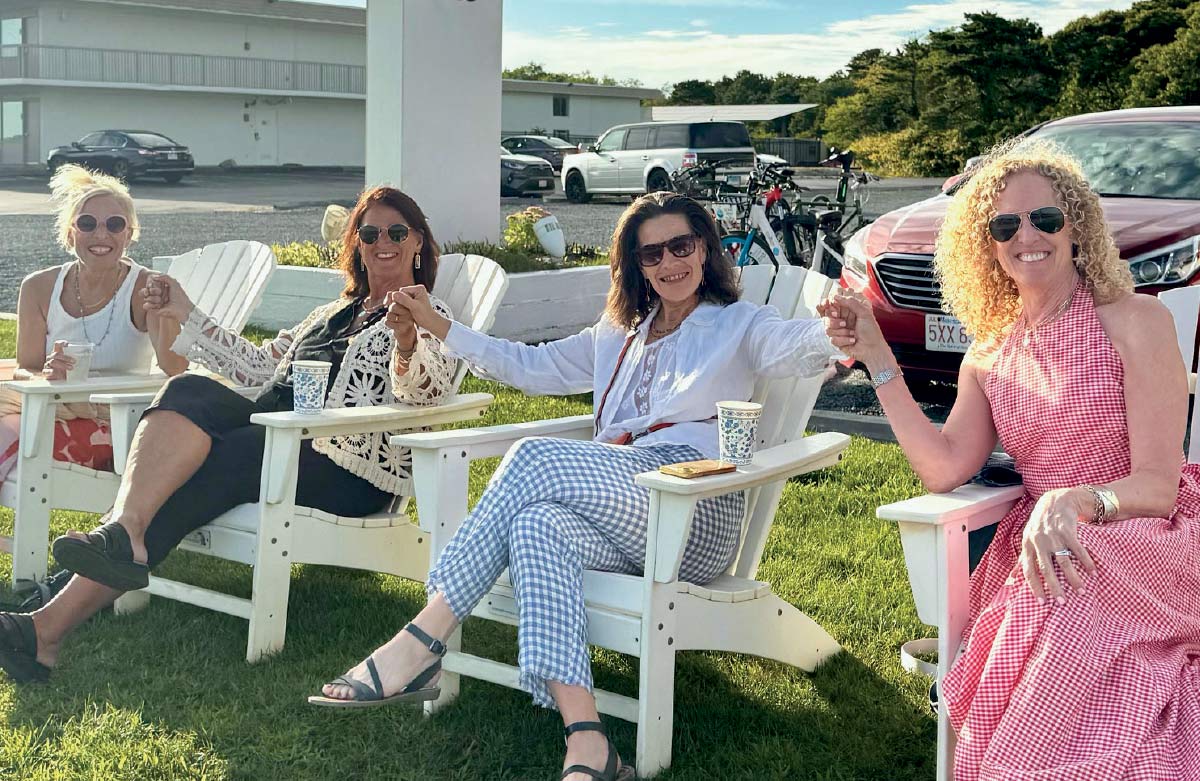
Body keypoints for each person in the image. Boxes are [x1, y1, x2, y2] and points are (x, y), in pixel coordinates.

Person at [308, 191, 844, 781]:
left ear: (706, 249)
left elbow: (795, 347)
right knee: (538, 527)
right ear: (634, 266)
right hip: (624, 505)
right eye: (651, 254)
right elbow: (527, 366)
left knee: (533, 458)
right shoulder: (618, 333)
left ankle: (423, 640)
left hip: (695, 507)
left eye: (681, 246)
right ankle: (588, 740)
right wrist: (443, 328)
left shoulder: (741, 324)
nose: (669, 263)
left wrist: (834, 332)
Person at [822, 141, 1200, 779]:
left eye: (1045, 219)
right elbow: (944, 469)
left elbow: (1159, 486)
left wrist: (1080, 501)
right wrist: (879, 357)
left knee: (1068, 590)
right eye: (1006, 225)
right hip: (1046, 541)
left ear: (1075, 224)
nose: (1028, 235)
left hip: (1143, 532)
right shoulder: (989, 353)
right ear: (987, 245)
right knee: (1058, 584)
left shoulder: (1137, 320)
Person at [0, 186, 458, 685]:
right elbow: (260, 368)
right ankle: (123, 532)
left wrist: (409, 339)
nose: (382, 242)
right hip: (273, 436)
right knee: (188, 389)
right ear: (356, 244)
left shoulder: (431, 317)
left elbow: (426, 392)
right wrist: (186, 312)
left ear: (418, 243)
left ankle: (49, 621)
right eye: (369, 233)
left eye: (396, 232)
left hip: (345, 465)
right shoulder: (330, 313)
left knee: (213, 463)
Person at [0, 164, 188, 489]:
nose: (102, 235)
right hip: (51, 411)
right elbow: (24, 369)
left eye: (115, 225)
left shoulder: (146, 289)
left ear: (129, 234)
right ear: (70, 232)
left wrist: (166, 314)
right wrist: (46, 374)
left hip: (115, 425)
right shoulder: (38, 288)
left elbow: (176, 368)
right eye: (88, 224)